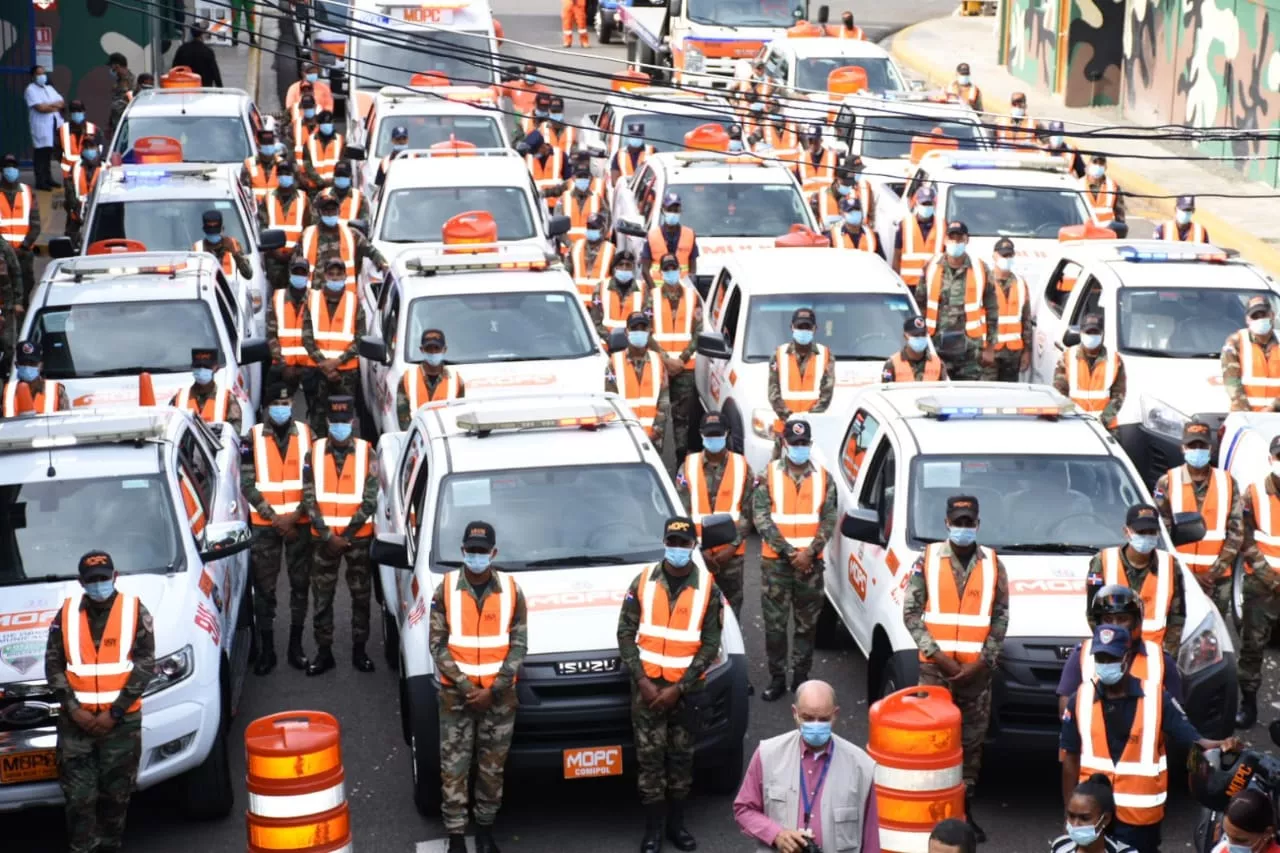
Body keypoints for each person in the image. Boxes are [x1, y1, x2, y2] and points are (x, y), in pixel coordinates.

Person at [1060, 624, 1239, 853]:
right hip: (1093, 815)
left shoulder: (1157, 697)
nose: (1105, 664)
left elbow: (1194, 740)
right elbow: (1070, 759)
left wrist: (1222, 745)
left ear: (1127, 657)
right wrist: (1070, 815)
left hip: (1139, 819)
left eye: (1111, 657)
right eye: (1101, 657)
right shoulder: (1081, 698)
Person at [902, 494, 1008, 842]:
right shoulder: (928, 560)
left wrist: (982, 661)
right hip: (936, 673)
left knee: (971, 747)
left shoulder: (993, 564)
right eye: (958, 522)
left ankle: (965, 815)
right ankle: (933, 818)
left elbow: (1000, 616)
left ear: (977, 524)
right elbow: (911, 613)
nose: (964, 528)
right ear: (947, 524)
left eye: (969, 522)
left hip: (976, 677)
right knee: (934, 745)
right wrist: (941, 658)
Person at [617, 516, 724, 853]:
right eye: (672, 542)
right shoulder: (644, 581)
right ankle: (653, 831)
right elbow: (625, 633)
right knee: (649, 761)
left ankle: (677, 827)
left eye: (683, 543)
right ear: (664, 542)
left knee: (681, 761)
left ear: (693, 546)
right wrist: (643, 682)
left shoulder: (708, 588)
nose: (677, 548)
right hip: (646, 691)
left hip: (686, 692)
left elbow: (711, 644)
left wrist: (678, 687)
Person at [45, 551, 154, 853]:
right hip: (76, 725)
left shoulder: (134, 611)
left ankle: (110, 846)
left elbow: (145, 664)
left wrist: (115, 712)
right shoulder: (65, 615)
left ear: (114, 577)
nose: (98, 585)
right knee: (79, 799)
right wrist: (74, 710)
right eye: (92, 580)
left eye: (103, 578)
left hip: (120, 724)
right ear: (82, 581)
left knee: (115, 798)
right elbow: (53, 666)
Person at [429, 521, 528, 853]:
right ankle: (456, 837)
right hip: (456, 696)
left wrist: (494, 689)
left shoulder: (512, 591)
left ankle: (485, 831)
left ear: (493, 553)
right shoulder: (444, 590)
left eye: (482, 551)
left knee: (491, 768)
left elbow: (519, 644)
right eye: (470, 551)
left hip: (498, 699)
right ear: (462, 552)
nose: (475, 556)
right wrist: (465, 685)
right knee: (453, 768)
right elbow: (437, 644)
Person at [733, 679, 880, 853]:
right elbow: (743, 809)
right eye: (808, 718)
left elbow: (871, 840)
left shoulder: (861, 766)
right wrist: (776, 835)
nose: (816, 725)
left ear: (836, 714)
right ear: (794, 712)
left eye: (824, 719)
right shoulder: (768, 754)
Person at [753, 419, 837, 702]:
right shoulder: (768, 476)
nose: (799, 448)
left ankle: (801, 678)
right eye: (794, 443)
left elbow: (829, 518)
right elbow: (761, 518)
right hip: (777, 564)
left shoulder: (824, 478)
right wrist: (790, 552)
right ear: (784, 444)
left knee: (806, 626)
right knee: (775, 627)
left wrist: (809, 552)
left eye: (804, 443)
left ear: (810, 445)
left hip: (810, 566)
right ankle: (777, 678)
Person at [300, 396, 379, 675]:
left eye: (345, 422)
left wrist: (344, 535)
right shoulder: (313, 452)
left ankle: (360, 650)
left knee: (361, 596)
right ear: (328, 423)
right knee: (322, 596)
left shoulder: (368, 453)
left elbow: (370, 499)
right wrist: (326, 535)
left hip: (356, 538)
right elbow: (308, 497)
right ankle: (324, 652)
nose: (340, 427)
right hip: (323, 540)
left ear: (353, 422)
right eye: (335, 422)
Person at [243, 383, 314, 675]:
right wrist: (275, 518)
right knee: (264, 590)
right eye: (276, 403)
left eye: (286, 402)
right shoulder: (253, 437)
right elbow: (247, 484)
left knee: (300, 587)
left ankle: (295, 647)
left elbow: (314, 482)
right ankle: (267, 650)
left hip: (299, 525)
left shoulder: (308, 435)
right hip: (266, 526)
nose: (282, 408)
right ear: (267, 408)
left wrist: (295, 516)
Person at [1152, 420, 1242, 617]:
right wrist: (1188, 574)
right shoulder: (1167, 482)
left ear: (1210, 448)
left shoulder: (1227, 482)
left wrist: (1212, 573)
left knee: (1215, 634)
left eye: (1202, 445)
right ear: (1183, 448)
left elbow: (1236, 532)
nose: (1197, 450)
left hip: (1217, 580)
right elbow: (1160, 534)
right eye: (1193, 445)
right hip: (1178, 576)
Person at [1057, 584, 1183, 715]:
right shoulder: (1081, 655)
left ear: (1137, 622)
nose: (1115, 626)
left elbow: (1177, 719)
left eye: (1122, 619)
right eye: (1108, 619)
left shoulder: (1161, 660)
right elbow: (1065, 713)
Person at [676, 411, 753, 622]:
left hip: (732, 556)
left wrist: (730, 548)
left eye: (718, 434)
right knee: (696, 609)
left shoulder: (742, 467)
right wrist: (700, 550)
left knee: (730, 612)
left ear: (726, 434)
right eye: (709, 435)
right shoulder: (688, 467)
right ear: (701, 435)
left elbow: (749, 511)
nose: (713, 439)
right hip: (698, 555)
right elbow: (681, 512)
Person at [1084, 505, 1186, 655]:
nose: (1146, 537)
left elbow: (1177, 618)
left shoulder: (1170, 565)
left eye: (1151, 532)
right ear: (1127, 532)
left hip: (1155, 653)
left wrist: (1166, 655)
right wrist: (1109, 647)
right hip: (1115, 653)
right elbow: (1093, 615)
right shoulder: (1103, 562)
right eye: (1141, 532)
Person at [1235, 433, 1280, 729]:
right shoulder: (1253, 494)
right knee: (1252, 647)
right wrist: (1268, 575)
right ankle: (1248, 706)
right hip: (1263, 586)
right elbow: (1243, 537)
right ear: (1270, 460)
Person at [918, 220, 999, 380]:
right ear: (945, 240)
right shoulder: (931, 266)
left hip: (969, 351)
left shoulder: (980, 268)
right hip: (936, 347)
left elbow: (992, 310)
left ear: (967, 240)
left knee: (968, 397)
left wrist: (990, 347)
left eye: (959, 239)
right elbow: (920, 305)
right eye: (951, 238)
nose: (955, 242)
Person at [302, 258, 366, 435]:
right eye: (331, 274)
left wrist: (337, 362)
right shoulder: (312, 300)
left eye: (339, 274)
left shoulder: (354, 302)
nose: (335, 278)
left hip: (346, 374)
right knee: (318, 419)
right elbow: (306, 337)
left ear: (346, 276)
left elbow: (360, 338)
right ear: (324, 276)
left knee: (343, 420)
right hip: (318, 371)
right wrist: (324, 364)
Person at [651, 253, 703, 468]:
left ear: (679, 271)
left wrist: (681, 359)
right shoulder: (650, 296)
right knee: (659, 416)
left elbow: (699, 331)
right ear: (661, 272)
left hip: (685, 367)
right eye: (667, 268)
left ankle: (681, 461)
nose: (671, 272)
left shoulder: (693, 297)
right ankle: (657, 461)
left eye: (674, 268)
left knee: (682, 418)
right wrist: (665, 359)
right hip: (659, 367)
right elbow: (645, 331)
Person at [767, 308, 834, 454]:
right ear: (792, 327)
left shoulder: (826, 355)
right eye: (799, 327)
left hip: (813, 429)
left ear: (815, 329)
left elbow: (826, 395)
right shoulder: (778, 354)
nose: (803, 330)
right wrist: (789, 417)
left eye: (807, 327)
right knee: (778, 470)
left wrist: (807, 419)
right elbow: (773, 392)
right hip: (784, 427)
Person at [296, 193, 388, 292]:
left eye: (333, 210)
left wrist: (383, 265)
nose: (330, 213)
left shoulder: (352, 234)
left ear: (339, 211)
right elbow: (296, 264)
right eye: (326, 210)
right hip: (315, 295)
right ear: (320, 212)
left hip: (344, 295)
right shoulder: (307, 235)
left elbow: (372, 252)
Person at [606, 311, 670, 450]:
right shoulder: (614, 363)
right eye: (634, 329)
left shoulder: (657, 361)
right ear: (626, 332)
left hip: (653, 438)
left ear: (649, 332)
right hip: (624, 438)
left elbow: (663, 401)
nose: (639, 332)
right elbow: (611, 403)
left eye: (643, 329)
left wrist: (656, 431)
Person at [1053, 312, 1126, 430]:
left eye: (1095, 333)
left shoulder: (1115, 360)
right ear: (1081, 333)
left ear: (1102, 334)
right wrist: (1072, 417)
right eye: (1088, 332)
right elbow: (1060, 391)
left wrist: (1103, 420)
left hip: (1105, 428)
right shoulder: (1067, 357)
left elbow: (1118, 396)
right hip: (1073, 424)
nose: (1092, 336)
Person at [1049, 774, 1136, 853]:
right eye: (1071, 816)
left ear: (1105, 819)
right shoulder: (1060, 846)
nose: (1075, 824)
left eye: (1085, 818)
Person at [398, 328, 465, 429]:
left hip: (446, 437)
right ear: (422, 350)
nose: (433, 352)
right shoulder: (407, 378)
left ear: (444, 350)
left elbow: (460, 414)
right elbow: (403, 418)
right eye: (429, 349)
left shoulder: (456, 381)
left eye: (437, 348)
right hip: (417, 438)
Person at [1223, 295, 1280, 412]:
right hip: (1245, 414)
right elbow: (1232, 381)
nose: (1260, 319)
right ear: (1247, 320)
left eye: (1263, 315)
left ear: (1272, 315)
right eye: (1255, 316)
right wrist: (1248, 414)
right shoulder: (1235, 342)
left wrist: (1274, 407)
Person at [258, 161, 310, 289]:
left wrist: (295, 251)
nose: (284, 176)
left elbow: (309, 229)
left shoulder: (304, 199)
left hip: (297, 260)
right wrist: (275, 251)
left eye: (287, 173)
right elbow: (262, 226)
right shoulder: (268, 198)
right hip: (273, 259)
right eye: (280, 173)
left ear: (293, 175)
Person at [169, 347, 243, 432]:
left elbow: (234, 431)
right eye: (198, 366)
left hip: (218, 443)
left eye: (206, 367)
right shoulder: (180, 397)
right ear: (192, 368)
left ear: (215, 368)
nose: (201, 370)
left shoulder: (226, 398)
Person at [988, 237, 1031, 381]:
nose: (1007, 259)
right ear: (995, 256)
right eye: (1003, 255)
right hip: (990, 352)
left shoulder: (1020, 283)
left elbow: (1026, 320)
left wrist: (1027, 351)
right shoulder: (984, 282)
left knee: (1009, 397)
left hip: (1013, 354)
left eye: (1009, 255)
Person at [1, 152, 40, 304]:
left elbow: (35, 224)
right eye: (7, 167)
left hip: (24, 254)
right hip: (2, 255)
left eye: (13, 167)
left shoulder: (27, 192)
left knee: (25, 290)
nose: (11, 170)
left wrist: (24, 246)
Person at [894, 185, 944, 289]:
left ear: (934, 204)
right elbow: (896, 255)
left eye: (929, 204)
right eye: (923, 204)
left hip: (933, 282)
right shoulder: (904, 224)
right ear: (917, 202)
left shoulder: (942, 226)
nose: (926, 207)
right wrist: (897, 282)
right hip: (909, 283)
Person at [642, 192, 698, 285]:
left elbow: (692, 267)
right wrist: (654, 290)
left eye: (676, 210)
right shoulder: (652, 235)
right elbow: (645, 269)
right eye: (669, 210)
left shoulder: (689, 234)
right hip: (658, 290)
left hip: (681, 290)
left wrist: (689, 287)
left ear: (680, 211)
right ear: (662, 210)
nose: (673, 213)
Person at [590, 249, 648, 336]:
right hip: (606, 342)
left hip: (633, 342)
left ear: (632, 268)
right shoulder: (601, 287)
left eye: (628, 265)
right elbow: (595, 321)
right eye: (621, 265)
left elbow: (647, 320)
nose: (624, 268)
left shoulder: (643, 289)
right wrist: (610, 338)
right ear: (615, 267)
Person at [3, 340, 70, 415]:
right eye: (23, 363)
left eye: (32, 363)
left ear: (40, 366)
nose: (27, 367)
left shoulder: (56, 390)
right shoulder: (8, 391)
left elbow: (64, 421)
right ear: (16, 365)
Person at [24, 65, 64, 190]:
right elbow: (40, 108)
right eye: (39, 74)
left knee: (48, 153)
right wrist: (53, 106)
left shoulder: (49, 88)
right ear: (33, 76)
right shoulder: (30, 90)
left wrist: (50, 106)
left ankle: (48, 178)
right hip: (41, 125)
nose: (42, 76)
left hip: (53, 124)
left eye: (43, 73)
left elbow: (62, 102)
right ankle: (40, 181)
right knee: (40, 153)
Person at [881, 315, 949, 382]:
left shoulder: (938, 364)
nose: (920, 338)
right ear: (905, 336)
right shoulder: (891, 364)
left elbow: (944, 390)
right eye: (916, 335)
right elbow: (885, 389)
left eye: (923, 334)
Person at [64, 133, 104, 245]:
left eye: (92, 147)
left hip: (99, 219)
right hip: (76, 219)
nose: (88, 150)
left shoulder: (107, 168)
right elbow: (69, 189)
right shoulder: (75, 168)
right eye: (86, 147)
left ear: (98, 148)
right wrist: (74, 207)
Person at [569, 212, 615, 306]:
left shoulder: (611, 250)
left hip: (600, 304)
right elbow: (567, 272)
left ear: (603, 230)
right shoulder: (576, 247)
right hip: (577, 304)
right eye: (589, 228)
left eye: (594, 228)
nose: (590, 230)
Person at [194, 209, 252, 281]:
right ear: (204, 230)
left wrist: (236, 254)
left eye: (215, 232)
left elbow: (248, 274)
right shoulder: (197, 248)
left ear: (222, 229)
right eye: (210, 232)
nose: (213, 235)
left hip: (230, 290)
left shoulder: (233, 244)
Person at [1218, 789, 1280, 853]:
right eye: (1227, 835)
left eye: (1241, 840)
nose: (1230, 847)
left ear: (1267, 833)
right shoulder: (1220, 850)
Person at [557, 167, 605, 249]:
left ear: (590, 179)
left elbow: (606, 223)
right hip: (567, 250)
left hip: (591, 251)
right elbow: (558, 226)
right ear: (574, 178)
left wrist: (595, 244)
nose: (583, 179)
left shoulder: (597, 198)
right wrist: (570, 245)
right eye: (580, 177)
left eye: (585, 177)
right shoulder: (563, 198)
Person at [303, 110, 345, 194]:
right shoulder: (310, 141)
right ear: (319, 125)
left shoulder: (341, 140)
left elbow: (344, 162)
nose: (328, 125)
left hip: (335, 188)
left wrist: (334, 181)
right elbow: (307, 163)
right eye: (325, 123)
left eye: (330, 122)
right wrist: (319, 181)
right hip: (315, 188)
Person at [241, 128, 285, 206]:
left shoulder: (282, 163)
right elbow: (244, 191)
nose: (268, 146)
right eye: (265, 143)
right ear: (258, 145)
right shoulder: (249, 164)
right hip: (256, 210)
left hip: (277, 209)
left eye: (270, 143)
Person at [57, 100, 98, 183]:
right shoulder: (62, 130)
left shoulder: (93, 129)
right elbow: (57, 151)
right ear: (70, 113)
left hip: (89, 173)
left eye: (79, 111)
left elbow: (100, 150)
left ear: (84, 112)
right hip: (69, 175)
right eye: (74, 111)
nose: (77, 114)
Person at [318, 161, 369, 227]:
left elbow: (364, 224)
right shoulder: (322, 195)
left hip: (349, 236)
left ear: (351, 177)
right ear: (334, 176)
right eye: (338, 175)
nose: (341, 178)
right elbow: (315, 221)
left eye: (344, 176)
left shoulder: (360, 198)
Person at [172, 23, 223, 88]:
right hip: (204, 89)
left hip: (185, 87)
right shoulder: (208, 51)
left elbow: (174, 69)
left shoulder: (182, 49)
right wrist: (220, 89)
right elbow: (215, 73)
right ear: (201, 35)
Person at [795, 125, 838, 197]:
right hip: (808, 205)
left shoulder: (832, 157)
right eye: (810, 140)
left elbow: (837, 182)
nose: (812, 144)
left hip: (827, 203)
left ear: (821, 140)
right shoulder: (801, 159)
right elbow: (798, 183)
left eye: (815, 141)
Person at [1081, 155, 1124, 225]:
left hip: (1106, 232)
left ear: (1105, 167)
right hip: (1084, 232)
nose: (1098, 166)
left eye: (1101, 164)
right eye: (1095, 162)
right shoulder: (1078, 185)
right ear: (1088, 165)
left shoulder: (1113, 187)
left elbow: (1120, 216)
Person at [373, 125, 411, 189]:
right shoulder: (385, 162)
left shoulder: (415, 158)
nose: (401, 142)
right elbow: (379, 187)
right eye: (398, 139)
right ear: (392, 141)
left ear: (408, 140)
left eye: (404, 138)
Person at [106, 54, 135, 136]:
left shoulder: (132, 81)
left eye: (111, 66)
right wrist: (109, 124)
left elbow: (130, 102)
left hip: (126, 124)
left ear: (117, 66)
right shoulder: (118, 82)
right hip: (117, 124)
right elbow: (114, 104)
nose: (111, 69)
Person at [287, 94, 319, 164]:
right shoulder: (294, 126)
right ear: (302, 108)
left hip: (321, 172)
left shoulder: (322, 125)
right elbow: (290, 149)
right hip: (301, 171)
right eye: (305, 107)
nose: (308, 109)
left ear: (315, 107)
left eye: (310, 107)